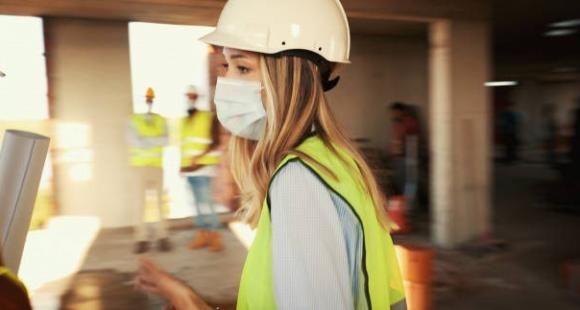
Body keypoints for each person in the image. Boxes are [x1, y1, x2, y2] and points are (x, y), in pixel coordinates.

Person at [135, 0, 406, 309]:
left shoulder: (299, 181)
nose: (227, 83)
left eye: (243, 67)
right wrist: (191, 302)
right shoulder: (334, 163)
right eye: (226, 67)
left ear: (286, 76)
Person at [179, 85, 224, 252]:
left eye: (192, 96)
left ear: (197, 97)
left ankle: (215, 237)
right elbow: (184, 146)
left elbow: (215, 142)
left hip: (204, 168)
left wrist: (198, 158)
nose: (190, 98)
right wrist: (181, 166)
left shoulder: (208, 117)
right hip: (190, 170)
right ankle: (202, 236)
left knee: (207, 204)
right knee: (196, 205)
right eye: (188, 96)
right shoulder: (184, 121)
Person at [128, 87, 171, 254]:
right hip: (139, 168)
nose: (149, 102)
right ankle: (141, 239)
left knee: (161, 204)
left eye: (151, 99)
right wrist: (156, 140)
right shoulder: (133, 120)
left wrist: (146, 139)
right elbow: (135, 142)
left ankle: (163, 237)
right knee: (140, 204)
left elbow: (166, 140)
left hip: (157, 167)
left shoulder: (161, 120)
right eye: (147, 99)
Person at [389, 102, 418, 195]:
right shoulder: (396, 124)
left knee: (408, 184)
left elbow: (412, 141)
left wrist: (410, 159)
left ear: (401, 111)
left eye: (395, 112)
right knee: (399, 182)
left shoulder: (409, 122)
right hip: (397, 159)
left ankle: (409, 205)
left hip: (406, 158)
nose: (393, 115)